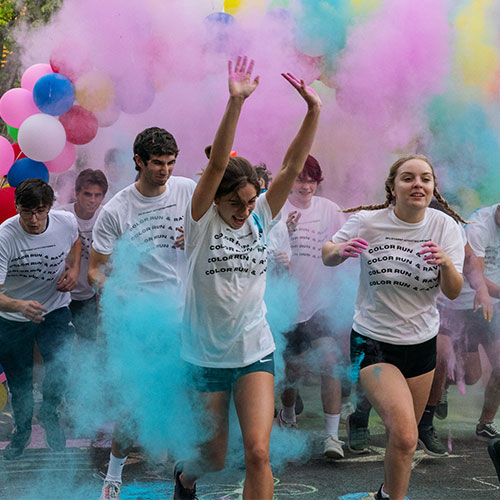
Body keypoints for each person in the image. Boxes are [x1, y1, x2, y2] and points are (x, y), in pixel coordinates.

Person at [173, 56, 321, 500]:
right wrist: (235, 103)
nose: (245, 210)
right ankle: (184, 478)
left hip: (254, 350)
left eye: (251, 200)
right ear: (215, 199)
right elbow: (217, 164)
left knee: (258, 453)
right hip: (204, 355)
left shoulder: (261, 218)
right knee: (212, 458)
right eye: (236, 203)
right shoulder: (200, 221)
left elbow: (292, 168)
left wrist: (314, 111)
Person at [322, 154, 465, 500]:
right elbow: (327, 253)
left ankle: (385, 495)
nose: (418, 184)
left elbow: (453, 290)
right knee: (403, 435)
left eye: (425, 179)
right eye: (408, 178)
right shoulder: (368, 222)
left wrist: (446, 263)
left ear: (432, 188)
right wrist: (341, 249)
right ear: (392, 186)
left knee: (404, 440)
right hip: (371, 342)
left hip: (421, 344)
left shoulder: (445, 227)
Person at [89, 128, 196, 500]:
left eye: (169, 163)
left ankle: (183, 477)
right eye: (157, 164)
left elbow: (221, 223)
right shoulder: (117, 209)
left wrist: (196, 236)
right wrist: (114, 289)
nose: (164, 171)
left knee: (190, 396)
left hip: (187, 315)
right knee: (135, 401)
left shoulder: (186, 189)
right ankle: (113, 476)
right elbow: (94, 270)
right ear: (139, 161)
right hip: (141, 322)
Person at [0, 178, 81, 460]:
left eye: (40, 211)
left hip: (54, 308)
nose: (34, 219)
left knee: (62, 363)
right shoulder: (4, 237)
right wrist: (19, 305)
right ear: (17, 208)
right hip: (12, 316)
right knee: (19, 380)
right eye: (26, 212)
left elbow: (76, 241)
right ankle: (22, 432)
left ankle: (49, 412)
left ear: (49, 208)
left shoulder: (65, 222)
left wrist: (73, 269)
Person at [276, 155, 347, 460]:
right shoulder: (276, 208)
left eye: (311, 180)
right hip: (287, 305)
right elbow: (264, 251)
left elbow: (344, 245)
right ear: (288, 178)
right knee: (291, 371)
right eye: (300, 179)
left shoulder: (330, 209)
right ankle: (288, 414)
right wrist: (286, 236)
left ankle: (332, 437)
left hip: (321, 305)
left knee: (330, 360)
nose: (305, 186)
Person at [418, 204, 500, 457]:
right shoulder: (478, 225)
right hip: (457, 303)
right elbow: (472, 268)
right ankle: (426, 423)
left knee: (473, 375)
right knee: (441, 359)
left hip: (489, 305)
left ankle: (485, 423)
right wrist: (485, 291)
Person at [60, 169, 108, 344]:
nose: (92, 200)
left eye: (97, 195)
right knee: (57, 347)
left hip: (88, 294)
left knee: (88, 341)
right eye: (87, 194)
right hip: (59, 293)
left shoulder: (107, 216)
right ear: (77, 192)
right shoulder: (61, 216)